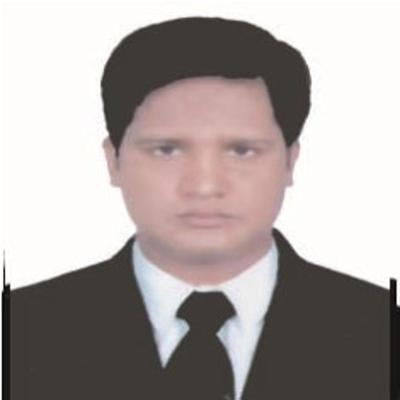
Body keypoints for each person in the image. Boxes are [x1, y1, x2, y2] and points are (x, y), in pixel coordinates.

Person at [10, 17, 390, 400]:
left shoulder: (383, 331)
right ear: (114, 161)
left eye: (242, 151)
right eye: (167, 150)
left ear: (290, 161)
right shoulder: (17, 330)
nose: (205, 186)